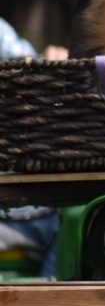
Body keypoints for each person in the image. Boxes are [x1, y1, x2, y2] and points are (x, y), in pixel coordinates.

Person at [0, 16, 67, 279]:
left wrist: (48, 60)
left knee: (76, 223)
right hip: (15, 218)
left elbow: (27, 58)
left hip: (35, 215)